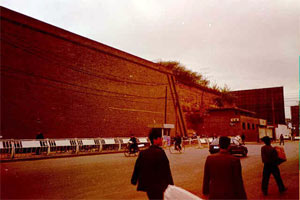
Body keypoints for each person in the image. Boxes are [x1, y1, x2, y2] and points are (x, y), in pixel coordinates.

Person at [131, 128, 174, 200]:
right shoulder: (160, 152)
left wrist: (134, 180)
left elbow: (137, 167)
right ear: (155, 139)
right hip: (159, 186)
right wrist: (171, 184)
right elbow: (166, 170)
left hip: (148, 186)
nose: (161, 140)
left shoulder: (143, 153)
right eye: (160, 138)